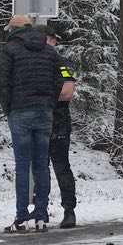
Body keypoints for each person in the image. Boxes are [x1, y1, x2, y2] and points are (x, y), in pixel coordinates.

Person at [0, 15, 65, 232]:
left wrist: (8, 108)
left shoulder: (10, 50)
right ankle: (41, 216)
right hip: (44, 112)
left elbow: (3, 82)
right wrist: (49, 103)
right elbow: (59, 80)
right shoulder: (49, 51)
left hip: (20, 111)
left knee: (23, 165)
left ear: (13, 30)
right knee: (41, 164)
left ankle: (22, 217)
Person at [45, 21, 79, 228]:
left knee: (61, 167)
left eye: (49, 40)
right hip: (41, 121)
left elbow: (67, 92)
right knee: (40, 169)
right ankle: (40, 211)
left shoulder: (61, 64)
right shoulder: (34, 63)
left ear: (54, 41)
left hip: (58, 122)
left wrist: (41, 96)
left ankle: (69, 210)